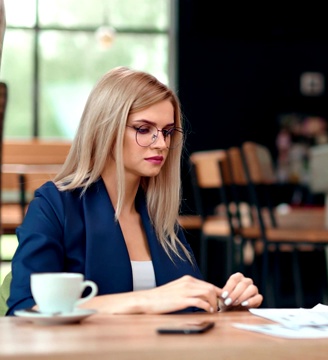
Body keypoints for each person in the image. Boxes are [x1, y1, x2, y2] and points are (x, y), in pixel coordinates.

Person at [6, 66, 263, 315]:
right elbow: (25, 308)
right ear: (105, 128)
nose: (161, 143)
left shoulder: (158, 215)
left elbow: (185, 306)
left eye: (168, 132)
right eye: (143, 129)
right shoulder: (54, 205)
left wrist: (223, 304)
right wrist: (145, 301)